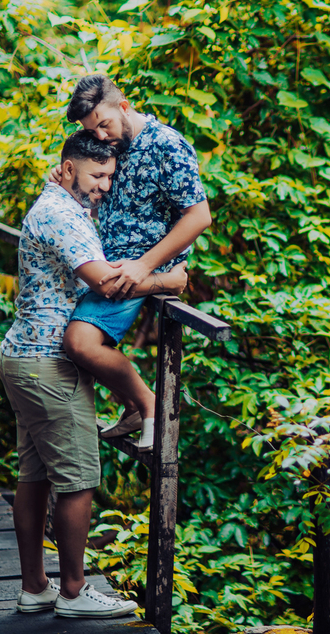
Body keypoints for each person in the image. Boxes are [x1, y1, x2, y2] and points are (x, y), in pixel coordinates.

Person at [0, 131, 187, 618]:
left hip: (24, 355)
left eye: (109, 177)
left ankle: (35, 586)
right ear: (68, 167)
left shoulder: (55, 202)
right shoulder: (63, 216)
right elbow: (106, 284)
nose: (104, 186)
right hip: (48, 364)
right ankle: (75, 593)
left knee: (34, 476)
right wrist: (170, 279)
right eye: (97, 175)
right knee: (77, 480)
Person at [52, 74, 212, 451]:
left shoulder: (166, 145)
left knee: (80, 342)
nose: (102, 136)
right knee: (64, 342)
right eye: (93, 130)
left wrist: (145, 265)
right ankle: (133, 407)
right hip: (100, 260)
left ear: (124, 106)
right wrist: (64, 178)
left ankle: (149, 405)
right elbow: (89, 185)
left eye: (104, 125)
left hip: (139, 266)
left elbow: (199, 216)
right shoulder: (109, 143)